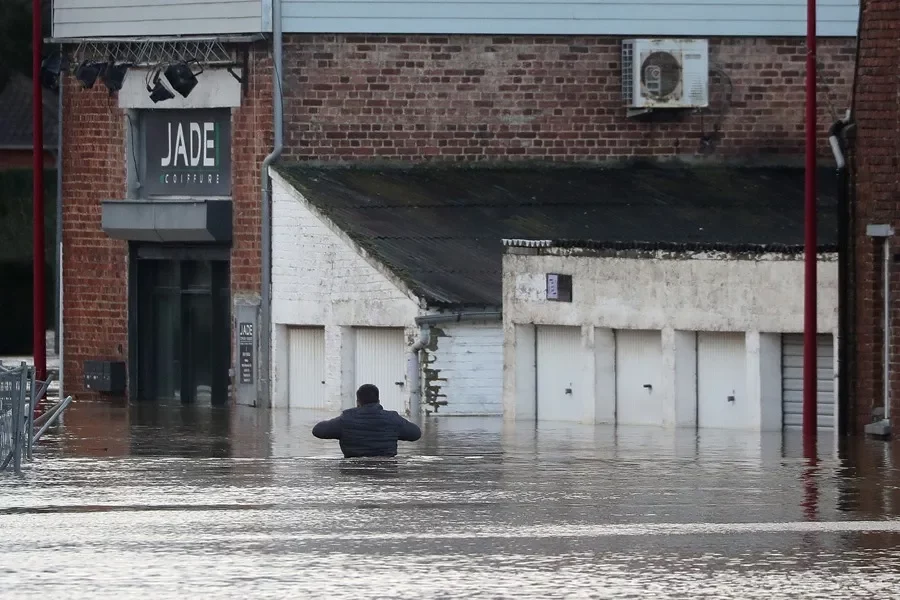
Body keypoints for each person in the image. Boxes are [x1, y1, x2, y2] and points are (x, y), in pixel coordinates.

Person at [312, 384, 422, 458]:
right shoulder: (392, 419)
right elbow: (416, 434)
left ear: (358, 402)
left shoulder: (346, 419)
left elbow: (317, 430)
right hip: (387, 469)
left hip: (353, 471)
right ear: (378, 401)